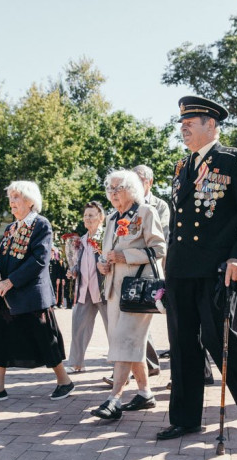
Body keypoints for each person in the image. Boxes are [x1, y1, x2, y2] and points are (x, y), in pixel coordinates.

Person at [158, 96, 237, 441]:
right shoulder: (182, 166)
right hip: (181, 269)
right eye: (182, 123)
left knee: (215, 336)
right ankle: (185, 417)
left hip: (216, 268)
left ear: (212, 125)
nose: (184, 128)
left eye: (191, 122)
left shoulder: (232, 160)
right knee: (182, 343)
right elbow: (178, 220)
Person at [0, 181, 74, 402]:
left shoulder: (41, 224)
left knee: (45, 338)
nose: (12, 202)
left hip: (31, 295)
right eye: (10, 197)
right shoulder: (11, 228)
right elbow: (3, 257)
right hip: (7, 294)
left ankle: (64, 381)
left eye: (16, 197)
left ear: (30, 201)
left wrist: (11, 281)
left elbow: (39, 260)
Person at [91, 170, 166, 419]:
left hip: (138, 290)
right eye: (109, 188)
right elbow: (108, 252)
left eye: (118, 188)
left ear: (132, 189)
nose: (112, 193)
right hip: (115, 290)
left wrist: (126, 256)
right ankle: (145, 393)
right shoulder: (112, 218)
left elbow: (159, 249)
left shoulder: (146, 212)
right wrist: (103, 264)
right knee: (129, 342)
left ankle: (114, 399)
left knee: (125, 340)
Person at [64, 201, 109, 374]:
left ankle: (121, 366)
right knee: (78, 326)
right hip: (85, 290)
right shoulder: (81, 241)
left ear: (101, 218)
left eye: (91, 215)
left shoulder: (107, 238)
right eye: (85, 216)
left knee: (113, 329)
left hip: (104, 291)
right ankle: (76, 363)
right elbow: (80, 263)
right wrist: (73, 271)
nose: (87, 219)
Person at [133, 164, 169, 377]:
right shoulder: (129, 205)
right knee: (136, 316)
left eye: (140, 179)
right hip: (132, 267)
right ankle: (145, 364)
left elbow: (161, 235)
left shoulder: (160, 205)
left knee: (164, 315)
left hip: (155, 267)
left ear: (149, 182)